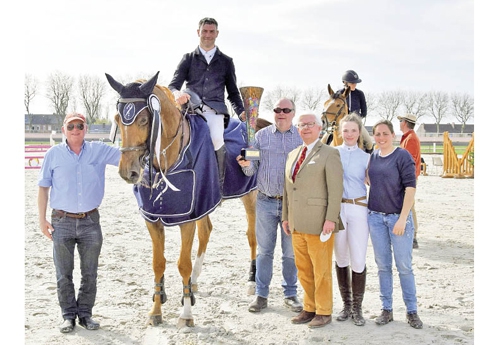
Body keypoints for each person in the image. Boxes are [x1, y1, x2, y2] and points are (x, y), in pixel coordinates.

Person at [37, 113, 121, 333]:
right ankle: (68, 316)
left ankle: (85, 315)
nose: (76, 129)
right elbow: (43, 188)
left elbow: (129, 157)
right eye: (71, 126)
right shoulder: (52, 155)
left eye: (80, 125)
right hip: (61, 221)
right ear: (64, 129)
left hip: (90, 221)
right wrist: (41, 219)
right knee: (63, 273)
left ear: (86, 128)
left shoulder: (99, 150)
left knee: (90, 272)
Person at [237, 98, 303, 314]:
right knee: (264, 252)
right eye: (277, 110)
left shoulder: (301, 139)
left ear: (293, 113)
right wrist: (245, 165)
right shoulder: (261, 137)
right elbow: (252, 167)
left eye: (285, 110)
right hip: (265, 202)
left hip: (291, 205)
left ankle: (290, 294)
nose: (281, 113)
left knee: (290, 253)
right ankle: (261, 295)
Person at [168, 17, 246, 188]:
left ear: (217, 34)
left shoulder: (226, 61)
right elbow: (173, 85)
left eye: (211, 32)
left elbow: (232, 92)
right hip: (189, 109)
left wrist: (241, 111)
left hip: (214, 110)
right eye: (205, 31)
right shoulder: (188, 58)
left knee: (217, 139)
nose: (208, 35)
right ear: (198, 32)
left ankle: (217, 184)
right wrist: (177, 94)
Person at [282, 113, 344, 328]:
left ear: (319, 128)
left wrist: (331, 219)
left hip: (320, 223)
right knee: (304, 270)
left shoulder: (330, 153)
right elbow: (288, 189)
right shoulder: (292, 155)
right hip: (296, 223)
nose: (305, 128)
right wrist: (285, 217)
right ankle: (309, 308)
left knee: (322, 270)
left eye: (310, 124)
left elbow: (336, 191)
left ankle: (324, 311)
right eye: (301, 125)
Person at [367, 119, 423, 329]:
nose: (381, 138)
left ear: (393, 135)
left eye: (385, 133)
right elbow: (370, 180)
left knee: (404, 267)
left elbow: (410, 188)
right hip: (375, 218)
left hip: (397, 219)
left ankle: (411, 311)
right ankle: (386, 309)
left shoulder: (402, 156)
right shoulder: (373, 156)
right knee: (383, 267)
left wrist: (402, 218)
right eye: (377, 134)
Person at [334, 113, 370, 326]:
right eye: (345, 130)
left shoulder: (367, 158)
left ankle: (358, 308)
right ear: (341, 132)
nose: (349, 134)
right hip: (338, 209)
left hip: (358, 209)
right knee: (340, 258)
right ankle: (346, 305)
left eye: (353, 131)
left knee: (358, 258)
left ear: (359, 133)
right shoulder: (333, 153)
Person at [398, 113, 422, 249]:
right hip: (408, 178)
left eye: (401, 120)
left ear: (405, 123)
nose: (399, 122)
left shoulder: (411, 139)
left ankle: (413, 236)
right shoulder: (409, 137)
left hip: (408, 179)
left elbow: (409, 161)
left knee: (409, 205)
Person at [337, 70, 373, 152]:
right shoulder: (339, 93)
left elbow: (364, 112)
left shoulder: (360, 94)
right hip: (341, 124)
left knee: (369, 143)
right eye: (352, 83)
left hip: (356, 123)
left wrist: (355, 118)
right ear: (345, 82)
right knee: (323, 141)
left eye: (355, 83)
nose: (354, 85)